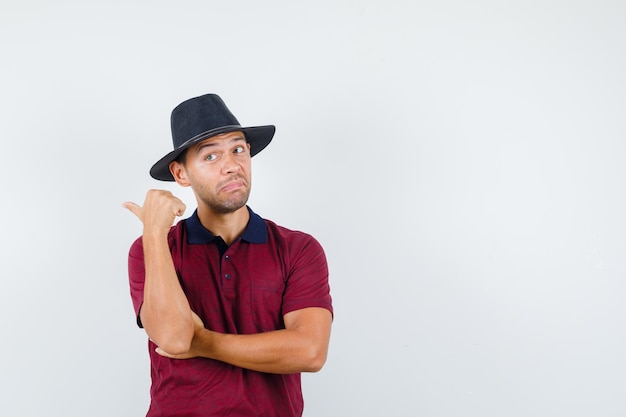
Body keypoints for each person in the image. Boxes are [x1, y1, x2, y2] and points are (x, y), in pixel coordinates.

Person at [123, 93, 333, 417]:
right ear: (181, 174)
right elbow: (174, 338)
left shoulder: (298, 249)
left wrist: (204, 341)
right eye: (211, 157)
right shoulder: (151, 249)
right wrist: (153, 231)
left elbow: (310, 350)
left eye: (238, 149)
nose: (232, 166)